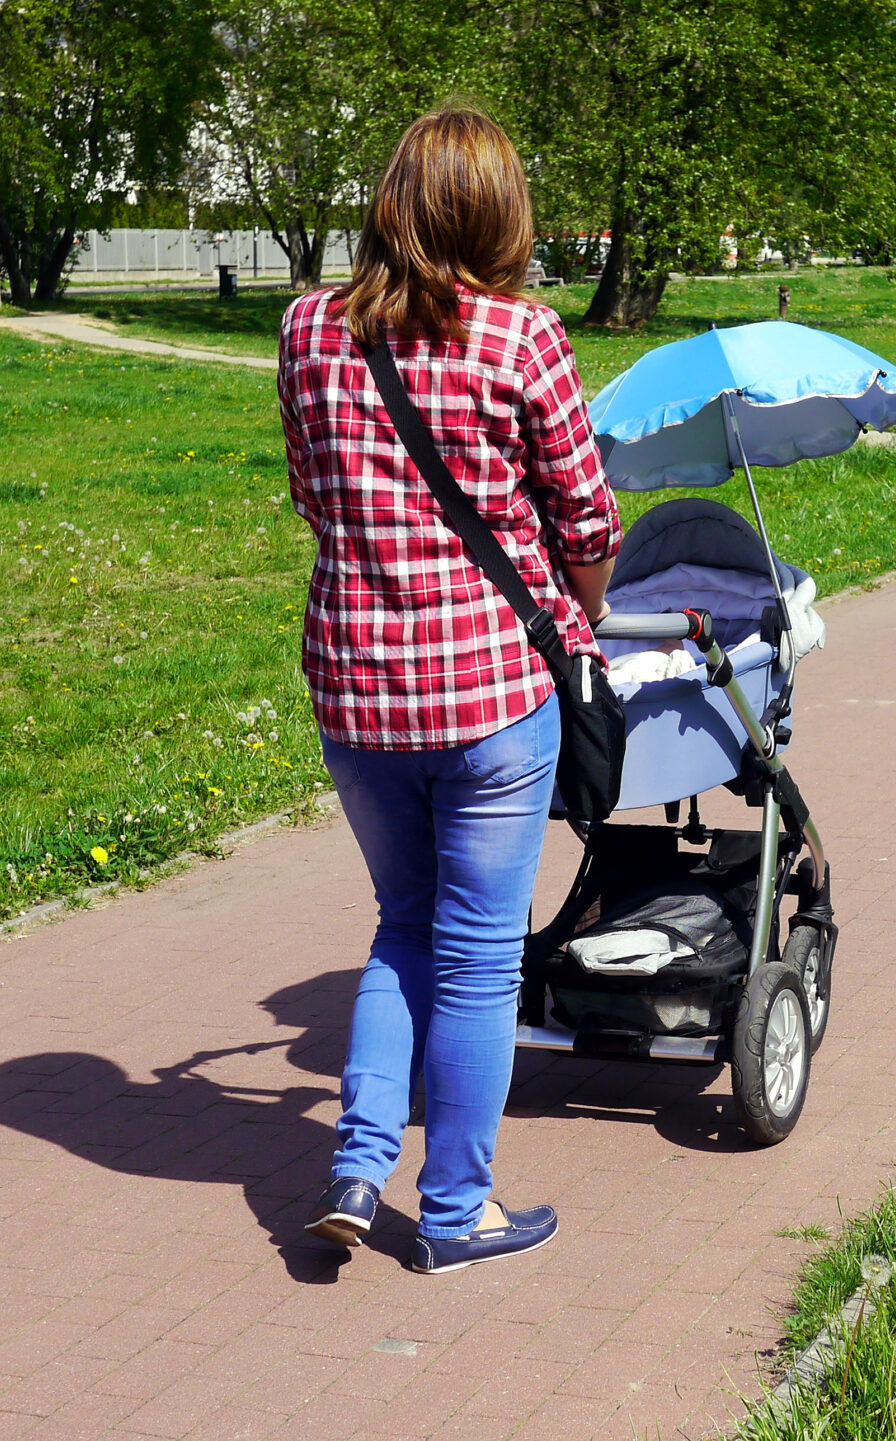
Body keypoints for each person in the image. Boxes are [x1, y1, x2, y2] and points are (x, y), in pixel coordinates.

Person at [276, 109, 621, 1275]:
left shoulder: (306, 329)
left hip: (355, 689)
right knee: (478, 956)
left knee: (400, 926)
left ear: (391, 200)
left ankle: (359, 1165)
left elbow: (311, 496)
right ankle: (455, 1207)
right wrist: (580, 597)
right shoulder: (523, 337)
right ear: (498, 212)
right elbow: (586, 521)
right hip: (486, 691)